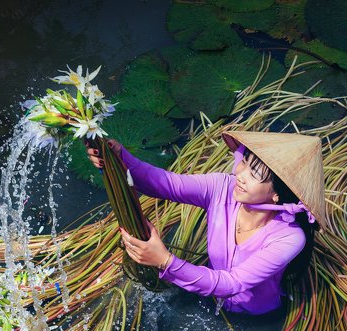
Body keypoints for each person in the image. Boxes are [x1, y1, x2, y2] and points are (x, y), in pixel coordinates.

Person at [86, 130, 325, 315]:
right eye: (245, 163)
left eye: (254, 175)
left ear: (278, 195)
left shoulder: (289, 238)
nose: (240, 175)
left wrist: (165, 261)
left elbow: (232, 283)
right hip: (210, 294)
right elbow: (167, 184)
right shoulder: (222, 187)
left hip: (255, 315)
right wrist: (120, 158)